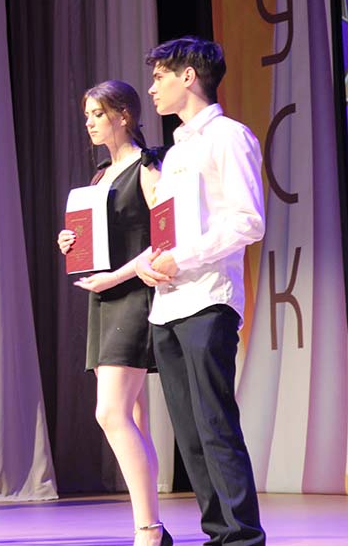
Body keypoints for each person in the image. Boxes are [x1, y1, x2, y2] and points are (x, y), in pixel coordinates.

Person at [135, 37, 266, 546]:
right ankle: (218, 534)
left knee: (215, 424)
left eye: (159, 77)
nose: (152, 88)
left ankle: (242, 538)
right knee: (189, 433)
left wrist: (183, 258)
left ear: (188, 76)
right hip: (168, 304)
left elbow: (248, 220)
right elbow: (172, 231)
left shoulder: (228, 136)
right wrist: (153, 261)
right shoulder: (175, 152)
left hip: (208, 299)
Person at [56, 81, 168, 546]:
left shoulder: (149, 167)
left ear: (124, 115)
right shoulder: (101, 175)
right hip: (103, 298)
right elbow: (97, 239)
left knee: (110, 413)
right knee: (133, 419)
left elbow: (164, 241)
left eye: (97, 114)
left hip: (134, 295)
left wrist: (114, 278)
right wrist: (70, 243)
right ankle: (151, 525)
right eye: (87, 115)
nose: (89, 123)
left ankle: (149, 530)